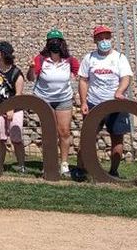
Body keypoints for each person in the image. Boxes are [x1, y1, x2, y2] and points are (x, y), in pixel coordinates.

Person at [77, 25, 133, 179]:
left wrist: (119, 92)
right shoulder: (89, 58)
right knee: (87, 138)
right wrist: (83, 103)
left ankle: (114, 171)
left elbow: (126, 77)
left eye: (107, 38)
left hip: (116, 105)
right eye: (100, 38)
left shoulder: (120, 58)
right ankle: (81, 169)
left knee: (117, 138)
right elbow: (83, 80)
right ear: (95, 40)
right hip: (94, 103)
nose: (104, 41)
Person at [27, 29, 79, 177]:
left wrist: (74, 86)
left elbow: (79, 74)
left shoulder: (69, 60)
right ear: (47, 44)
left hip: (63, 98)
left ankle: (64, 164)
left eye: (57, 41)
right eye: (52, 41)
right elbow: (30, 78)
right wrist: (31, 68)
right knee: (48, 132)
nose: (55, 44)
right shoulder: (41, 59)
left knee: (64, 131)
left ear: (62, 43)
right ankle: (48, 163)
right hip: (44, 100)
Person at [0, 40, 26, 173]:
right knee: (0, 139)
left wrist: (10, 109)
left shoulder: (16, 73)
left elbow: (18, 94)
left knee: (16, 138)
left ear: (4, 53)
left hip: (14, 110)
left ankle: (21, 165)